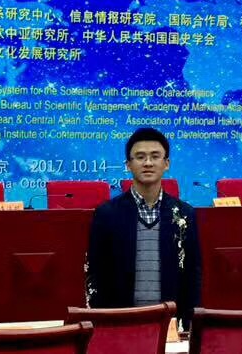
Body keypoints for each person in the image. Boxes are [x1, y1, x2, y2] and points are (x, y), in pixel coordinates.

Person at [86, 127, 202, 328]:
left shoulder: (185, 214)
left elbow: (193, 274)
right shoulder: (106, 214)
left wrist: (188, 322)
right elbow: (95, 274)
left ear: (166, 163)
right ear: (128, 165)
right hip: (120, 324)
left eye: (155, 156)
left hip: (171, 326)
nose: (148, 163)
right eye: (140, 157)